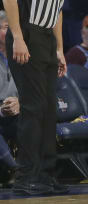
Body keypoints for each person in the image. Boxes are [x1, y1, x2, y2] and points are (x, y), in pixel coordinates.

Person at [2, 0, 70, 196]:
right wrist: (17, 37)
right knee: (32, 108)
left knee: (49, 109)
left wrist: (60, 49)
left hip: (46, 39)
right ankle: (26, 176)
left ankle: (46, 173)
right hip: (26, 34)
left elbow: (57, 12)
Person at [0, 11, 18, 178]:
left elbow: (37, 92)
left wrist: (20, 103)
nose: (12, 31)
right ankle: (15, 170)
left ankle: (41, 171)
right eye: (7, 27)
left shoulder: (24, 55)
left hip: (19, 111)